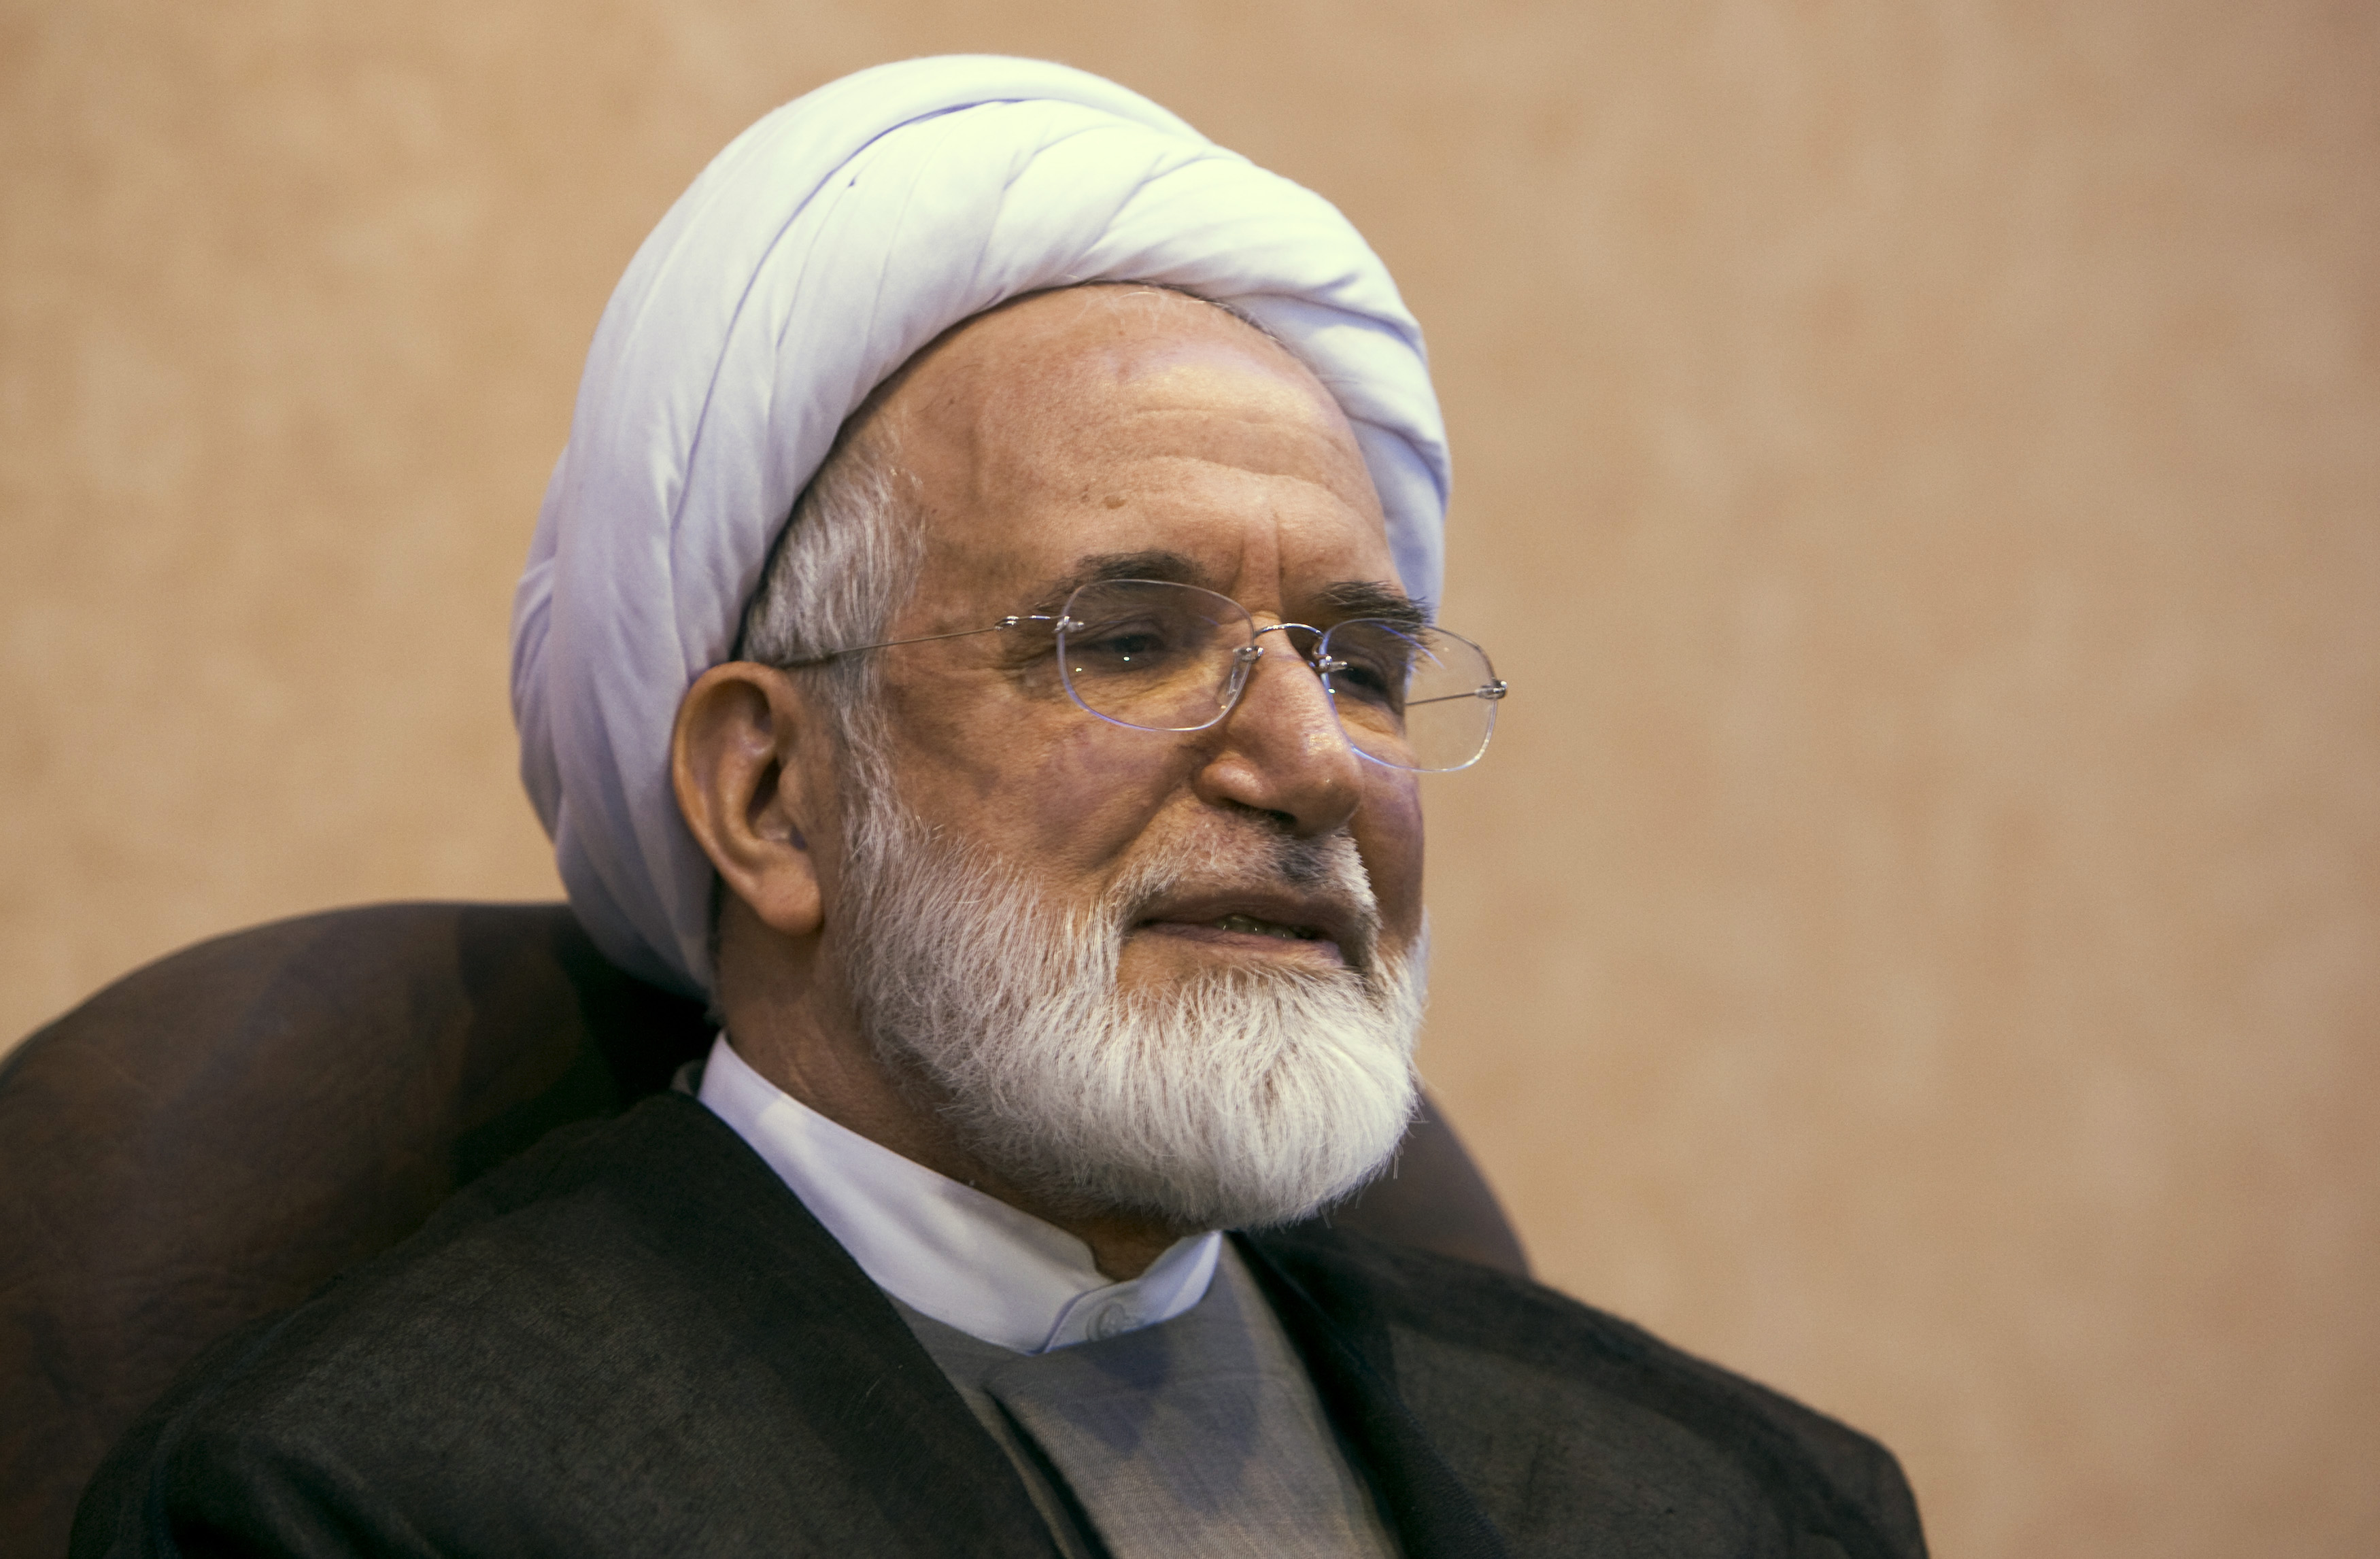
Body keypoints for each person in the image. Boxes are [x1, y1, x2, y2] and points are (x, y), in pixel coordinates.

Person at [74, 56, 1926, 1559]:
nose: (1309, 767)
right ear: (770, 795)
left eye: (1361, 664)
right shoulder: (366, 1510)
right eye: (1125, 641)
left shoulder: (1739, 1502)